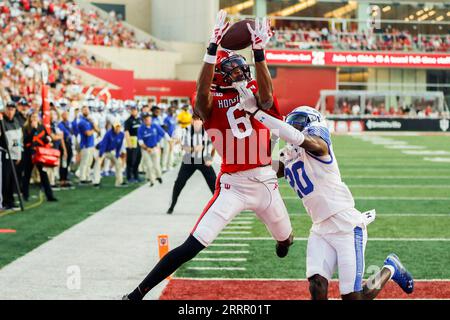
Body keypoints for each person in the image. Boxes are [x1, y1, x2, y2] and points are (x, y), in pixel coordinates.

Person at [123, 12, 293, 300]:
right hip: (233, 186)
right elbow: (202, 96)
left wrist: (259, 52)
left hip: (265, 180)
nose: (239, 72)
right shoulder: (209, 99)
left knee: (286, 239)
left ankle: (281, 242)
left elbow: (265, 98)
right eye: (232, 70)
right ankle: (136, 295)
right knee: (191, 245)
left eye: (241, 68)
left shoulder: (252, 91)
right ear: (218, 74)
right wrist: (211, 50)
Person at [237, 101, 415, 300]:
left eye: (298, 124)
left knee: (353, 298)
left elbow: (311, 143)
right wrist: (266, 135)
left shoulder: (320, 146)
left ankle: (390, 268)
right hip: (320, 227)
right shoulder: (288, 156)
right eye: (291, 124)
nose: (292, 128)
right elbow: (261, 167)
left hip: (346, 225)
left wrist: (264, 117)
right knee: (317, 286)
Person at [167, 114, 216, 214]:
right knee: (179, 182)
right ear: (192, 120)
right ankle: (172, 205)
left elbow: (213, 145)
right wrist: (194, 149)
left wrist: (210, 158)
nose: (197, 121)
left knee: (214, 184)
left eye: (199, 119)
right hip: (189, 159)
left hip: (203, 159)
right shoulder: (186, 131)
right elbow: (184, 147)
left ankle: (220, 206)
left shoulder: (207, 130)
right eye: (195, 119)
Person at [22, 112, 57, 202]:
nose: (34, 118)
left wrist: (48, 139)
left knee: (43, 175)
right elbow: (26, 141)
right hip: (29, 154)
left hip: (40, 154)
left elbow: (45, 138)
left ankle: (50, 195)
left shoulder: (42, 127)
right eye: (32, 117)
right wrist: (33, 130)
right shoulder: (26, 128)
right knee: (27, 175)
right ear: (29, 118)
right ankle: (25, 195)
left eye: (35, 117)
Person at [0, 101, 23, 210]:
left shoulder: (17, 122)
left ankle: (11, 200)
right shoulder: (2, 122)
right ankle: (5, 201)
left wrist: (19, 154)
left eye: (12, 109)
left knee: (14, 179)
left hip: (15, 154)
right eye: (8, 109)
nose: (10, 111)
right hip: (5, 154)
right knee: (6, 178)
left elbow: (18, 140)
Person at [138, 113, 170, 187]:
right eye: (146, 120)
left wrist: (169, 140)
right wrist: (146, 148)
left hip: (155, 147)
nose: (148, 121)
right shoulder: (141, 128)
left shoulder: (155, 126)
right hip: (145, 149)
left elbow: (163, 133)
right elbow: (140, 141)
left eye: (149, 119)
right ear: (144, 120)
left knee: (156, 164)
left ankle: (159, 176)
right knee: (149, 165)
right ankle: (152, 181)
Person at [93, 122, 126, 187]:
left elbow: (119, 145)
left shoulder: (121, 134)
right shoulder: (108, 134)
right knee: (98, 163)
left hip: (111, 150)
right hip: (101, 150)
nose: (118, 129)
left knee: (119, 162)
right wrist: (100, 154)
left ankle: (119, 182)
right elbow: (104, 144)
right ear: (113, 127)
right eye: (116, 127)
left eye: (119, 127)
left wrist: (117, 154)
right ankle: (96, 182)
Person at [77, 105, 99, 184]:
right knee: (84, 162)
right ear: (82, 111)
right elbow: (88, 133)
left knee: (89, 162)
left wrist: (93, 123)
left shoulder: (89, 120)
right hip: (85, 144)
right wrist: (93, 129)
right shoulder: (82, 122)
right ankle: (82, 178)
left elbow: (98, 130)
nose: (86, 111)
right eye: (84, 110)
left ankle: (87, 177)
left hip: (90, 144)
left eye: (87, 110)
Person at [124, 105, 142, 183]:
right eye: (132, 110)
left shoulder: (139, 119)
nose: (134, 111)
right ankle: (129, 176)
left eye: (135, 110)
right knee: (131, 160)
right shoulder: (128, 121)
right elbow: (126, 132)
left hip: (138, 141)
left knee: (138, 159)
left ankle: (136, 175)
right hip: (131, 141)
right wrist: (129, 143)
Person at [58, 109, 75, 188]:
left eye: (67, 114)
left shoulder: (69, 123)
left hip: (69, 143)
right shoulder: (60, 124)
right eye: (64, 114)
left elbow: (72, 132)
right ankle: (62, 180)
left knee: (67, 162)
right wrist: (64, 149)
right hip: (64, 144)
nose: (66, 116)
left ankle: (65, 178)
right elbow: (63, 136)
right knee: (63, 162)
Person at [161, 105, 178, 172]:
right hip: (167, 137)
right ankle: (163, 166)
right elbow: (165, 129)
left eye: (173, 110)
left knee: (171, 152)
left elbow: (174, 128)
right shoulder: (166, 119)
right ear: (168, 111)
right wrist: (168, 138)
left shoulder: (173, 118)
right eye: (171, 110)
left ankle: (169, 166)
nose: (172, 111)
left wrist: (175, 137)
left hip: (172, 137)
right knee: (166, 151)